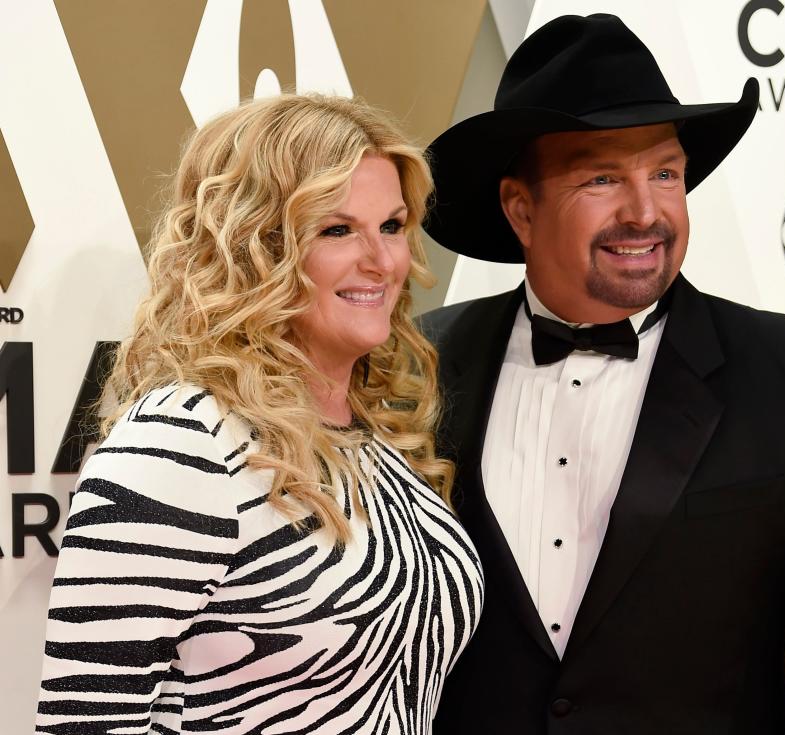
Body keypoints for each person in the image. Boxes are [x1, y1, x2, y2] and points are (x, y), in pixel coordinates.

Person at [419, 13, 785, 735]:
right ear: (519, 208)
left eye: (665, 173)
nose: (646, 211)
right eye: (601, 177)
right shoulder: (416, 366)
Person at [35, 94, 483, 734]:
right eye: (336, 229)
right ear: (254, 246)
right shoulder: (180, 446)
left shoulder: (375, 441)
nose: (384, 261)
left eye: (391, 225)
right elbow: (84, 723)